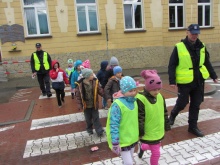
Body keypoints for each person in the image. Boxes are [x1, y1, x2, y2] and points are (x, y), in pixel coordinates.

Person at [168, 24, 218, 137]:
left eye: (196, 33)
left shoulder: (201, 46)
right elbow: (172, 64)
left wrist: (213, 75)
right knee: (182, 103)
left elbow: (206, 62)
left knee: (196, 104)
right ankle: (173, 115)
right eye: (192, 33)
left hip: (198, 80)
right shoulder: (179, 46)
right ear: (187, 32)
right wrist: (172, 80)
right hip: (185, 82)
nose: (194, 35)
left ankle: (193, 126)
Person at [136, 70, 171, 164]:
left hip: (158, 130)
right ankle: (143, 147)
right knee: (156, 153)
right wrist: (140, 132)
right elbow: (140, 118)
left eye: (158, 89)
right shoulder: (141, 99)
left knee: (153, 147)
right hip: (148, 131)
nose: (157, 92)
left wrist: (166, 125)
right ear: (147, 88)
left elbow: (164, 112)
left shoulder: (160, 97)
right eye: (154, 89)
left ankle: (143, 147)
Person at [106, 76, 139, 165]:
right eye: (130, 91)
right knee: (129, 163)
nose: (133, 93)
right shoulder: (117, 105)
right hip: (122, 140)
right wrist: (115, 142)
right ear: (123, 91)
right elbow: (113, 124)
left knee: (130, 159)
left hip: (131, 138)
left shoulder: (134, 101)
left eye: (134, 90)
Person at [75, 68, 104, 137]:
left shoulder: (95, 82)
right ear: (87, 76)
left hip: (94, 104)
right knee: (88, 118)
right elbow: (78, 96)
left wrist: (106, 96)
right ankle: (89, 128)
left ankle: (99, 131)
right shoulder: (80, 85)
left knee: (96, 118)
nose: (93, 76)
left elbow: (100, 91)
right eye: (91, 75)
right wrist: (79, 105)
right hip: (86, 105)